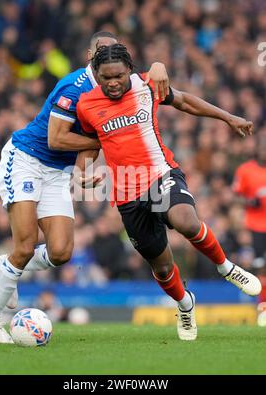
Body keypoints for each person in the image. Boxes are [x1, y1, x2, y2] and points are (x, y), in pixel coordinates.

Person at [0, 32, 170, 344]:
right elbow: (57, 139)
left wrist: (159, 64)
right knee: (26, 245)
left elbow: (92, 139)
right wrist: (107, 139)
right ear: (90, 56)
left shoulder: (115, 89)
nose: (107, 58)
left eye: (113, 52)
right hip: (27, 159)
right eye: (102, 52)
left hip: (58, 172)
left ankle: (8, 266)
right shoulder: (74, 86)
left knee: (61, 252)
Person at [76, 44, 262, 341]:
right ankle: (185, 305)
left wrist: (228, 117)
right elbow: (88, 144)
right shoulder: (86, 104)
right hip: (127, 192)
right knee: (162, 268)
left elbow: (185, 101)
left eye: (119, 76)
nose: (113, 82)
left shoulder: (147, 85)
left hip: (160, 175)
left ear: (129, 70)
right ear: (96, 74)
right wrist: (83, 172)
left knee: (186, 221)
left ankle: (226, 267)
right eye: (106, 77)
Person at [233, 130, 266, 259]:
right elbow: (235, 197)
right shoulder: (245, 170)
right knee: (257, 261)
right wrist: (250, 201)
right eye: (263, 149)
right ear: (257, 150)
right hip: (253, 224)